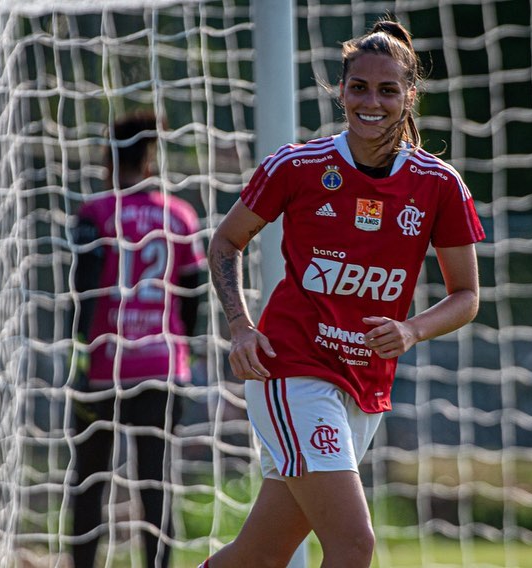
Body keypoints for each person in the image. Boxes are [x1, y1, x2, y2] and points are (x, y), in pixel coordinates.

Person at [203, 19, 484, 568]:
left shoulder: (439, 184)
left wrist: (411, 329)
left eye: (387, 90)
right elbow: (225, 243)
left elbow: (467, 295)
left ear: (409, 96)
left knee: (259, 556)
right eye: (359, 87)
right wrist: (240, 326)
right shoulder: (297, 165)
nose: (371, 102)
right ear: (341, 90)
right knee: (354, 543)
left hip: (364, 385)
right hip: (292, 371)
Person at [70, 110, 206, 568]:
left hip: (104, 365)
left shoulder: (96, 212)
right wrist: (184, 348)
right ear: (149, 162)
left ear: (108, 162)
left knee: (89, 482)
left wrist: (80, 357)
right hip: (162, 366)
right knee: (155, 483)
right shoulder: (180, 216)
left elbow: (84, 294)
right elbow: (191, 297)